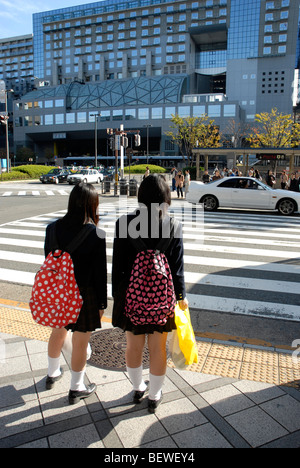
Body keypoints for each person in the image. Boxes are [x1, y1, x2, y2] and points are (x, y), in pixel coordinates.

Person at [112, 174, 188, 413]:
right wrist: (181, 297)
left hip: (131, 297)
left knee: (133, 346)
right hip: (162, 299)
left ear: (140, 196)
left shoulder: (124, 223)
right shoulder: (173, 225)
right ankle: (154, 395)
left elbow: (117, 266)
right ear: (166, 197)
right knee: (158, 348)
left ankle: (137, 388)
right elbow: (177, 269)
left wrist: (118, 295)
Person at [44, 182, 107, 405]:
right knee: (81, 342)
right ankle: (76, 387)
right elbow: (100, 273)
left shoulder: (51, 229)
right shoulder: (95, 233)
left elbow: (49, 261)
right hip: (85, 295)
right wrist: (102, 303)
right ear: (92, 205)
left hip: (59, 292)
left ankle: (52, 373)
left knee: (57, 332)